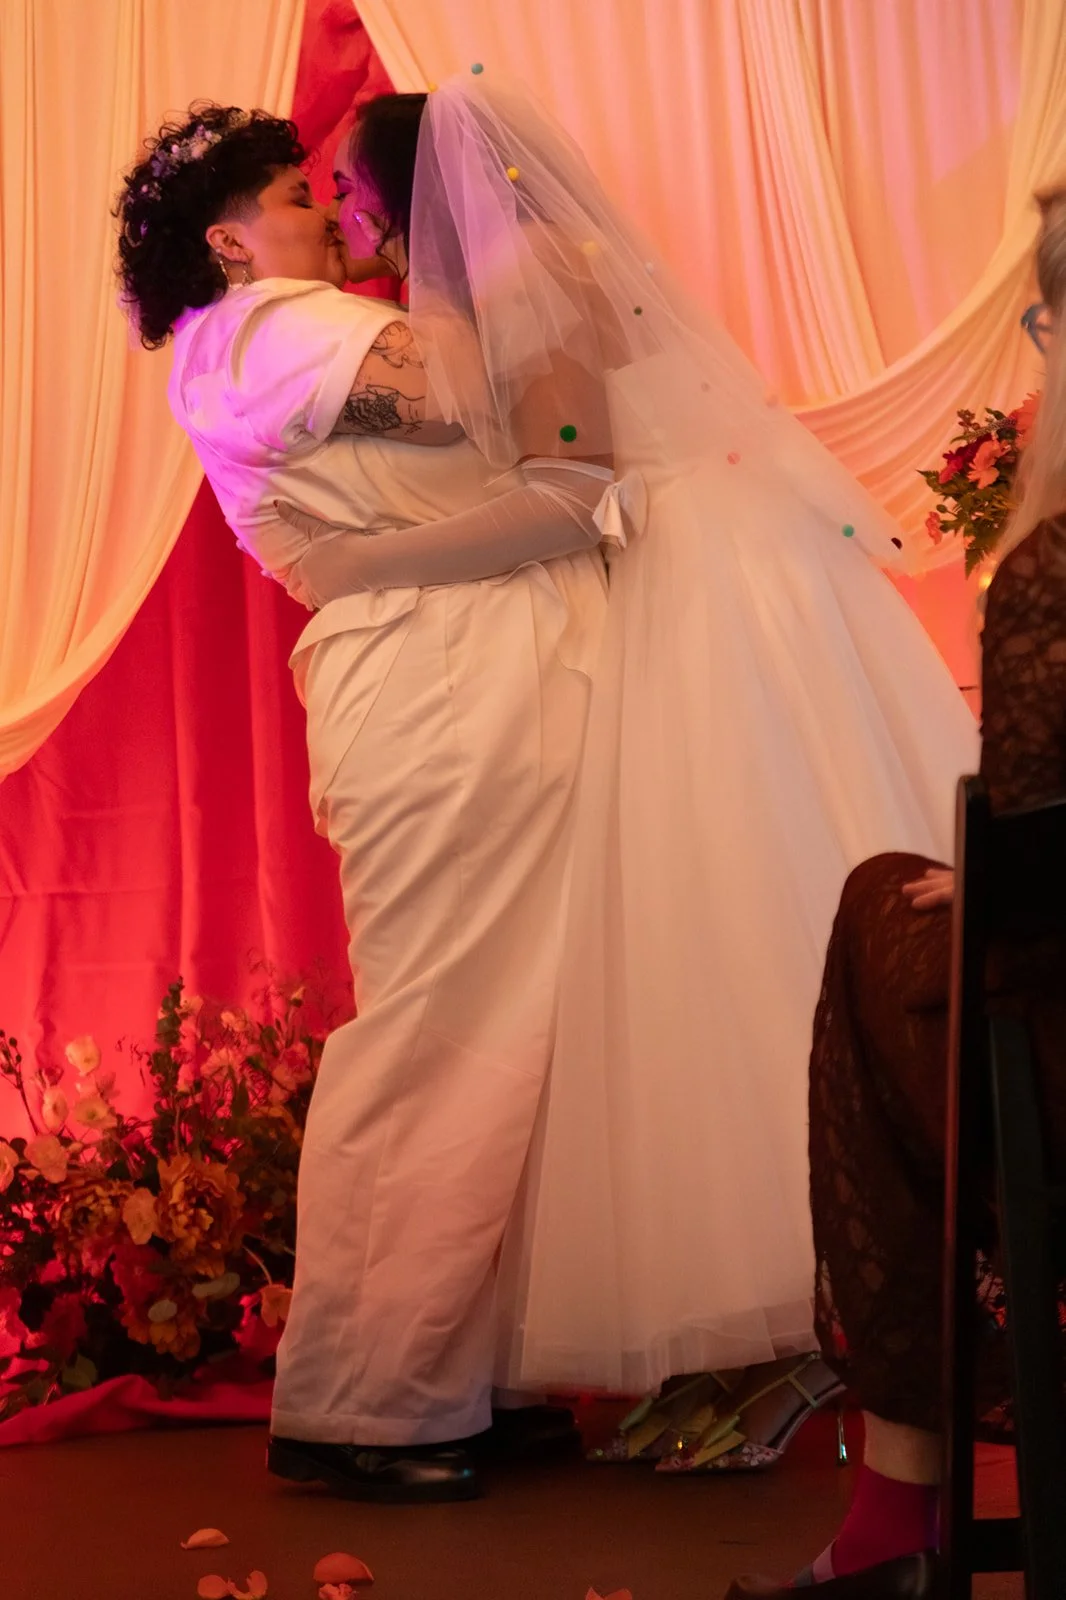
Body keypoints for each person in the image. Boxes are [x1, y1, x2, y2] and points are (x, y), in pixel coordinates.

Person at [315, 80, 979, 1475]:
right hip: (690, 567)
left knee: (720, 927)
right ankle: (748, 1346)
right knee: (687, 945)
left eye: (356, 188)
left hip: (686, 586)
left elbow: (578, 479)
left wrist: (367, 566)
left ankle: (794, 1344)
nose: (350, 215)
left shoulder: (526, 275)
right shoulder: (521, 277)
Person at [116, 103, 626, 1503]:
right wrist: (537, 270)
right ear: (230, 241)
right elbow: (522, 400)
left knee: (508, 1023)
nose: (330, 217)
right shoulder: (274, 328)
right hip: (440, 698)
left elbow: (553, 423)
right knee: (439, 1028)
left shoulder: (301, 329)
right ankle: (364, 1400)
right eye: (297, 195)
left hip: (468, 682)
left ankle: (464, 1371)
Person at [726, 182, 1066, 1595]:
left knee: (880, 915)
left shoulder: (1051, 573)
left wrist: (990, 880)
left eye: (1041, 313)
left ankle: (898, 1501)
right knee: (909, 924)